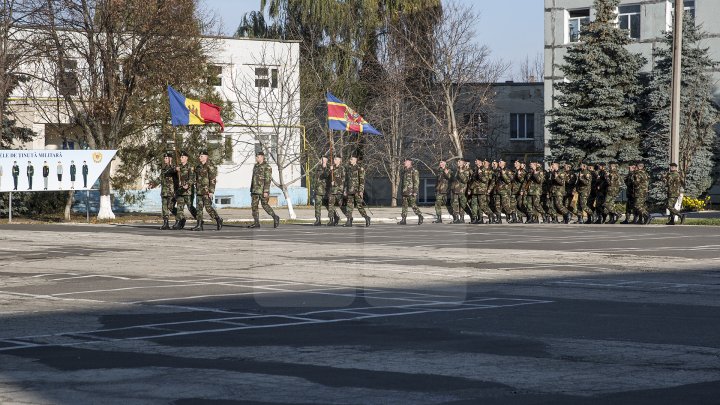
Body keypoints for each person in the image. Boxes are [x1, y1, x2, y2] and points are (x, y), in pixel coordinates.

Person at [193, 150, 223, 231]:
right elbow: (195, 178)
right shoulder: (198, 167)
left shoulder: (210, 166)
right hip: (199, 191)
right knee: (199, 209)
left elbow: (212, 179)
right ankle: (199, 225)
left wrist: (211, 192)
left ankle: (218, 219)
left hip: (206, 191)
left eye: (201, 156)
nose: (200, 157)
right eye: (199, 156)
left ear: (206, 157)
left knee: (208, 208)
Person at [249, 151, 279, 228]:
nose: (256, 158)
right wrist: (251, 189)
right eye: (256, 157)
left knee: (265, 205)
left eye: (258, 157)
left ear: (262, 157)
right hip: (255, 190)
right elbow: (253, 178)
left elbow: (268, 180)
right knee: (254, 206)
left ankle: (275, 217)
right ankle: (256, 223)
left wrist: (266, 191)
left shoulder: (267, 167)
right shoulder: (256, 166)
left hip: (262, 190)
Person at [344, 154, 370, 227]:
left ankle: (366, 218)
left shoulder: (359, 168)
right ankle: (349, 221)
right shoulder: (348, 168)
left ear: (355, 160)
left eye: (352, 159)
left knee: (359, 206)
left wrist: (361, 191)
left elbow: (362, 180)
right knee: (349, 206)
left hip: (356, 190)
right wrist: (345, 189)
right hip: (350, 190)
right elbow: (347, 180)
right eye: (350, 159)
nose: (350, 160)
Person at [172, 151, 194, 230]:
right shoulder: (179, 167)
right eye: (180, 157)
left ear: (186, 158)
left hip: (187, 191)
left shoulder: (190, 167)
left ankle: (199, 220)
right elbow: (171, 170)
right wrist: (175, 169)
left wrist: (187, 184)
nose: (181, 158)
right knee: (179, 207)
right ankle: (178, 222)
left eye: (183, 157)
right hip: (180, 191)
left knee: (190, 207)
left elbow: (192, 178)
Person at [398, 157, 423, 225]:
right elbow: (403, 182)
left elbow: (416, 182)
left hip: (411, 191)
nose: (404, 162)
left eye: (406, 161)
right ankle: (403, 220)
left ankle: (420, 216)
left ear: (410, 162)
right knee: (404, 206)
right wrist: (402, 190)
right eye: (404, 161)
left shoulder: (414, 171)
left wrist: (415, 191)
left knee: (413, 205)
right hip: (405, 191)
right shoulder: (404, 171)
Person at [157, 152, 177, 230]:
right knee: (164, 207)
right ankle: (166, 223)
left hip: (171, 191)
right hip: (164, 191)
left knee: (170, 206)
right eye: (164, 158)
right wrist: (153, 184)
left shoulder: (174, 167)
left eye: (166, 158)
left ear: (170, 159)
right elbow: (160, 179)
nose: (165, 159)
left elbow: (173, 171)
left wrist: (173, 167)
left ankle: (180, 218)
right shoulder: (163, 169)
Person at [326, 155, 345, 227]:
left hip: (339, 190)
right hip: (332, 190)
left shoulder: (342, 168)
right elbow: (328, 178)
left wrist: (336, 182)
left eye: (336, 159)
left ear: (339, 160)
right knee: (330, 205)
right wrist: (330, 170)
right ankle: (331, 219)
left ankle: (349, 218)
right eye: (334, 159)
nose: (334, 160)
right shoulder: (332, 168)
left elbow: (343, 179)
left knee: (341, 205)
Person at [450, 158, 469, 223]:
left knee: (462, 204)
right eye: (458, 161)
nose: (458, 163)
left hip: (462, 190)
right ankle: (456, 218)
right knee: (455, 204)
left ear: (463, 163)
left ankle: (462, 218)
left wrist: (461, 172)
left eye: (459, 161)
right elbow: (452, 179)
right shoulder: (455, 169)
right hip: (455, 189)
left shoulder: (466, 170)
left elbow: (465, 180)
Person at [313, 157, 329, 226]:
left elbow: (326, 175)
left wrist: (325, 168)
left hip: (325, 190)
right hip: (318, 190)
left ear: (326, 161)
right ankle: (318, 219)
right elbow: (316, 178)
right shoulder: (318, 167)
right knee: (317, 205)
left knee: (328, 205)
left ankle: (334, 217)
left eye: (323, 160)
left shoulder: (328, 168)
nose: (322, 161)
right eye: (321, 159)